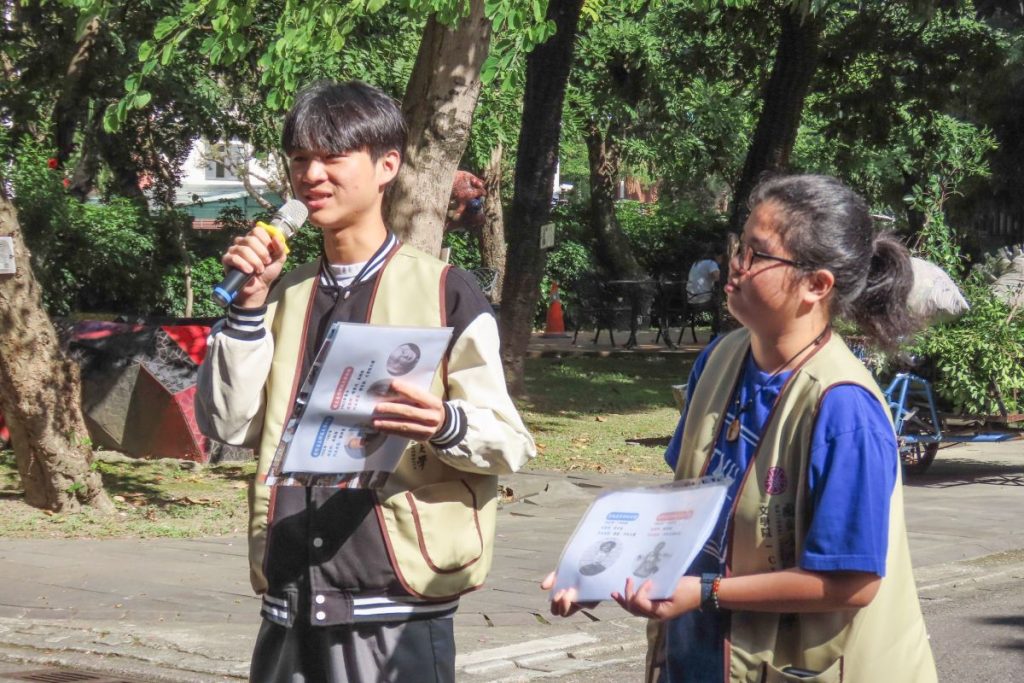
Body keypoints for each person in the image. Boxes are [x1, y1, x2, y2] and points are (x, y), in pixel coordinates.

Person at [196, 80, 536, 683]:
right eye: (300, 158)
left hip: (395, 602)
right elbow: (228, 425)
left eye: (332, 157)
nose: (312, 175)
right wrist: (246, 311)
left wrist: (444, 423)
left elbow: (509, 443)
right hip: (290, 593)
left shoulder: (445, 292)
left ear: (387, 166)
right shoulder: (282, 293)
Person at [544, 174, 937, 682]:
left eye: (756, 254)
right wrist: (605, 572)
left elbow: (851, 583)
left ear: (816, 285)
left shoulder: (844, 408)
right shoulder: (721, 357)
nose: (735, 265)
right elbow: (683, 509)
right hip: (701, 654)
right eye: (738, 247)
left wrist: (708, 592)